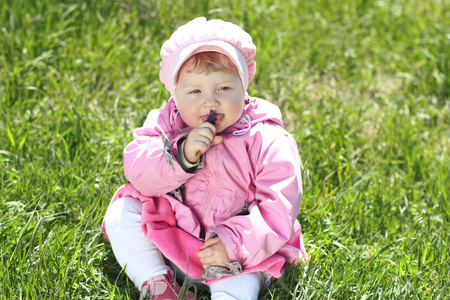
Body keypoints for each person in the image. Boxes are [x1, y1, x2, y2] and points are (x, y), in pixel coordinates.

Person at [102, 17, 308, 300]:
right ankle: (157, 283)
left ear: (244, 87)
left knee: (241, 283)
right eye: (195, 91)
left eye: (223, 88)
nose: (210, 101)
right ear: (175, 95)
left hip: (236, 255)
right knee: (122, 210)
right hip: (173, 234)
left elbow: (279, 208)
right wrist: (180, 154)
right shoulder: (167, 123)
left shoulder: (267, 138)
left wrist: (233, 243)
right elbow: (138, 170)